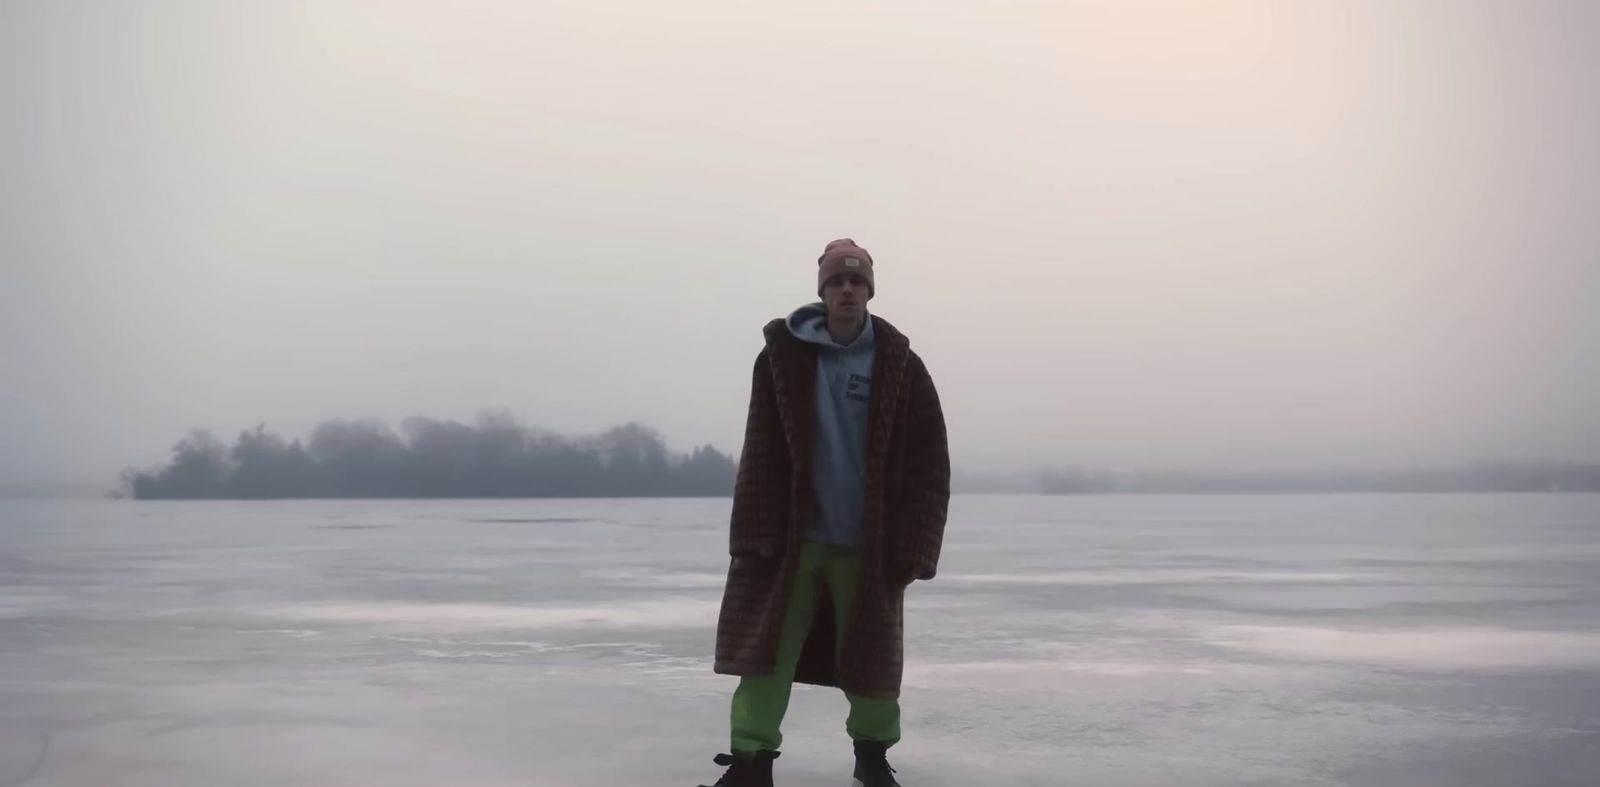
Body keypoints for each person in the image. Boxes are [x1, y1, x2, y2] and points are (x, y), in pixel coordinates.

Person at [699, 239, 951, 787]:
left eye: (856, 283)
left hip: (868, 542)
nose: (846, 291)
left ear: (869, 292)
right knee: (767, 658)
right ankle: (750, 762)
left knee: (874, 665)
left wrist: (916, 545)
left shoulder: (902, 366)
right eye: (837, 282)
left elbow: (930, 463)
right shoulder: (781, 359)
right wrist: (752, 535)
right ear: (823, 290)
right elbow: (759, 449)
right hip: (794, 540)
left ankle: (872, 758)